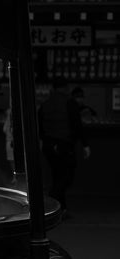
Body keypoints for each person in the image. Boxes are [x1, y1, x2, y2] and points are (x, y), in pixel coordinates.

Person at [38, 79, 90, 216]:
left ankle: (61, 209)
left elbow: (40, 126)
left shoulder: (45, 104)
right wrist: (85, 144)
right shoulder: (69, 103)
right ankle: (51, 201)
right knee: (67, 177)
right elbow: (77, 125)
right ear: (66, 88)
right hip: (64, 145)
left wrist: (44, 141)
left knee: (57, 176)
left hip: (49, 146)